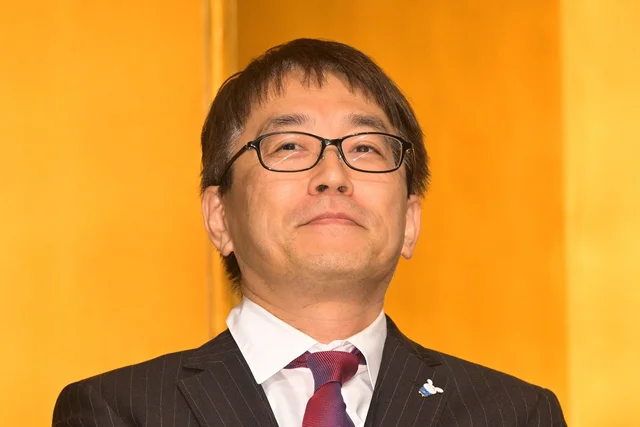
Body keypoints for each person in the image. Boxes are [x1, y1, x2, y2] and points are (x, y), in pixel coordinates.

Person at [53, 38, 566, 427]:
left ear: (410, 221)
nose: (333, 175)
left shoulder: (515, 413)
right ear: (220, 216)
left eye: (365, 148)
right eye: (289, 146)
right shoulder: (119, 410)